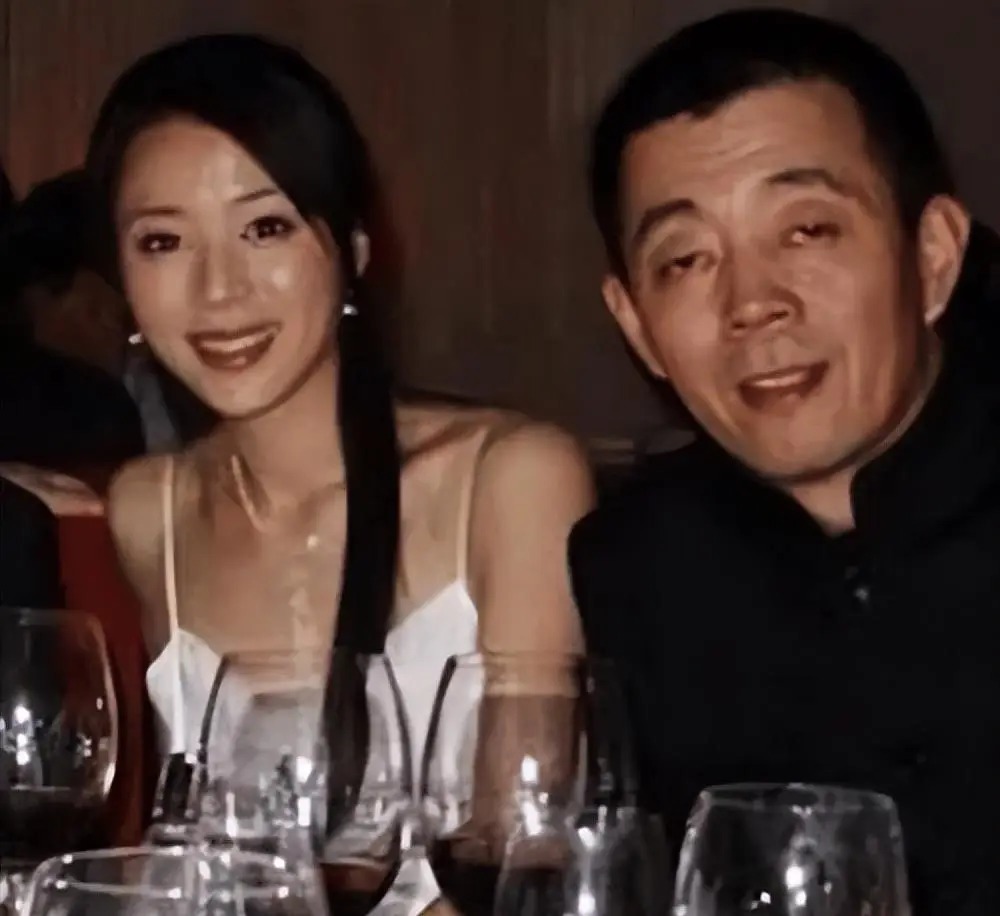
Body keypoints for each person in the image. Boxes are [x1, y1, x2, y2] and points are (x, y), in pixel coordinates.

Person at [568, 9, 999, 916]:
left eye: (807, 230)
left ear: (933, 258)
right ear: (636, 325)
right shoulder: (636, 567)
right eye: (686, 260)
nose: (752, 303)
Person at [90, 34, 593, 768]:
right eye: (163, 242)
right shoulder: (150, 511)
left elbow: (521, 826)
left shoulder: (511, 479)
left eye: (265, 228)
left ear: (354, 250)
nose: (219, 289)